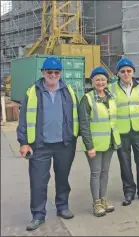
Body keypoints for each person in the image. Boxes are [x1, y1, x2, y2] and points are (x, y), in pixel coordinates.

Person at [17, 57, 79, 231]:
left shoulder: (68, 91)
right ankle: (38, 215)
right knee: (38, 181)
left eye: (56, 72)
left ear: (60, 74)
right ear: (43, 73)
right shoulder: (33, 92)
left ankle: (62, 207)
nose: (53, 75)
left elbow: (76, 116)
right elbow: (23, 119)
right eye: (49, 72)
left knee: (62, 178)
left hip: (64, 144)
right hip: (40, 145)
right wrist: (24, 142)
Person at [78, 67, 121, 217]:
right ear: (92, 82)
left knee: (105, 172)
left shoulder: (111, 97)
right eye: (97, 79)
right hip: (94, 144)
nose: (100, 82)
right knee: (96, 173)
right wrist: (89, 146)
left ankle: (104, 199)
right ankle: (96, 202)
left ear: (107, 81)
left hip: (109, 142)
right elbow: (84, 124)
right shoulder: (87, 99)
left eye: (103, 79)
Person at [109, 58, 139, 206]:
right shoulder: (111, 89)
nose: (126, 73)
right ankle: (129, 192)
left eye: (129, 71)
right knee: (125, 163)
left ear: (133, 72)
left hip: (138, 130)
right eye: (123, 71)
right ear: (118, 74)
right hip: (122, 131)